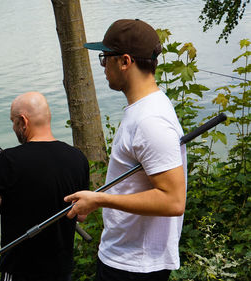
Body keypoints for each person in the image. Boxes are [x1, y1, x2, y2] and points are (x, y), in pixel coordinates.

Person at [64, 19, 187, 281]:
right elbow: (137, 184)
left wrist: (101, 199)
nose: (103, 66)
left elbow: (173, 200)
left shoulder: (150, 120)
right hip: (125, 258)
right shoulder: (143, 110)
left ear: (125, 61)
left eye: (105, 58)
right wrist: (95, 200)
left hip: (135, 267)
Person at [0, 91, 90, 281]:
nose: (13, 127)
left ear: (23, 121)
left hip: (20, 270)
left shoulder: (9, 159)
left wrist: (10, 201)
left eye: (13, 121)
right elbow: (82, 214)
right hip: (61, 270)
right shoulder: (77, 158)